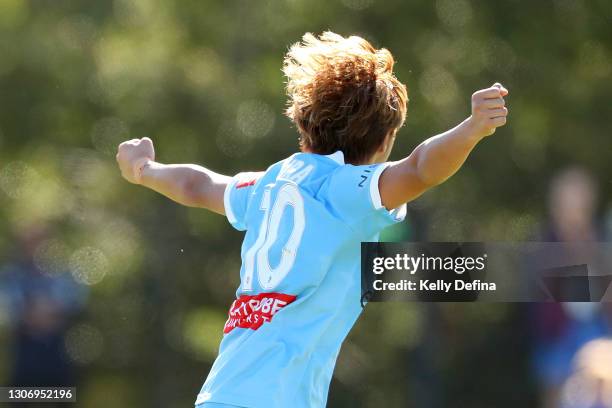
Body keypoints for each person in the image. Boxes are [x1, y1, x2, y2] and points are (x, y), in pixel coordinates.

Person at [115, 32, 509, 408]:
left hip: (220, 393)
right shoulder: (347, 191)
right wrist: (472, 128)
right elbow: (421, 168)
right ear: (384, 141)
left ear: (303, 121)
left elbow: (195, 184)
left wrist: (143, 169)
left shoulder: (268, 184)